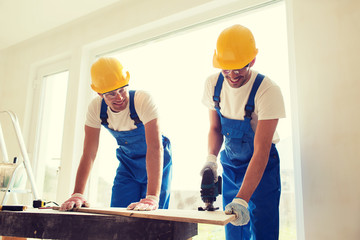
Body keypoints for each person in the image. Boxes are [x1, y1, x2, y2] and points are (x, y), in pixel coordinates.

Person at [201, 24, 286, 239]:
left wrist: (243, 198)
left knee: (263, 229)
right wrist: (211, 159)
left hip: (262, 166)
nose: (232, 75)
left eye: (238, 67)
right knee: (234, 229)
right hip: (231, 165)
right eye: (226, 68)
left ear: (252, 61)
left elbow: (261, 149)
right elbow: (214, 128)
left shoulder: (267, 90)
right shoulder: (213, 84)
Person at [60, 57, 172, 211]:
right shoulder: (96, 109)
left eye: (122, 90)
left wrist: (152, 197)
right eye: (111, 94)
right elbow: (89, 153)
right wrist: (77, 193)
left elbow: (154, 147)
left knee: (155, 219)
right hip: (128, 164)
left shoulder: (142, 100)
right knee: (118, 215)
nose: (119, 97)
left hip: (157, 161)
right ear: (100, 93)